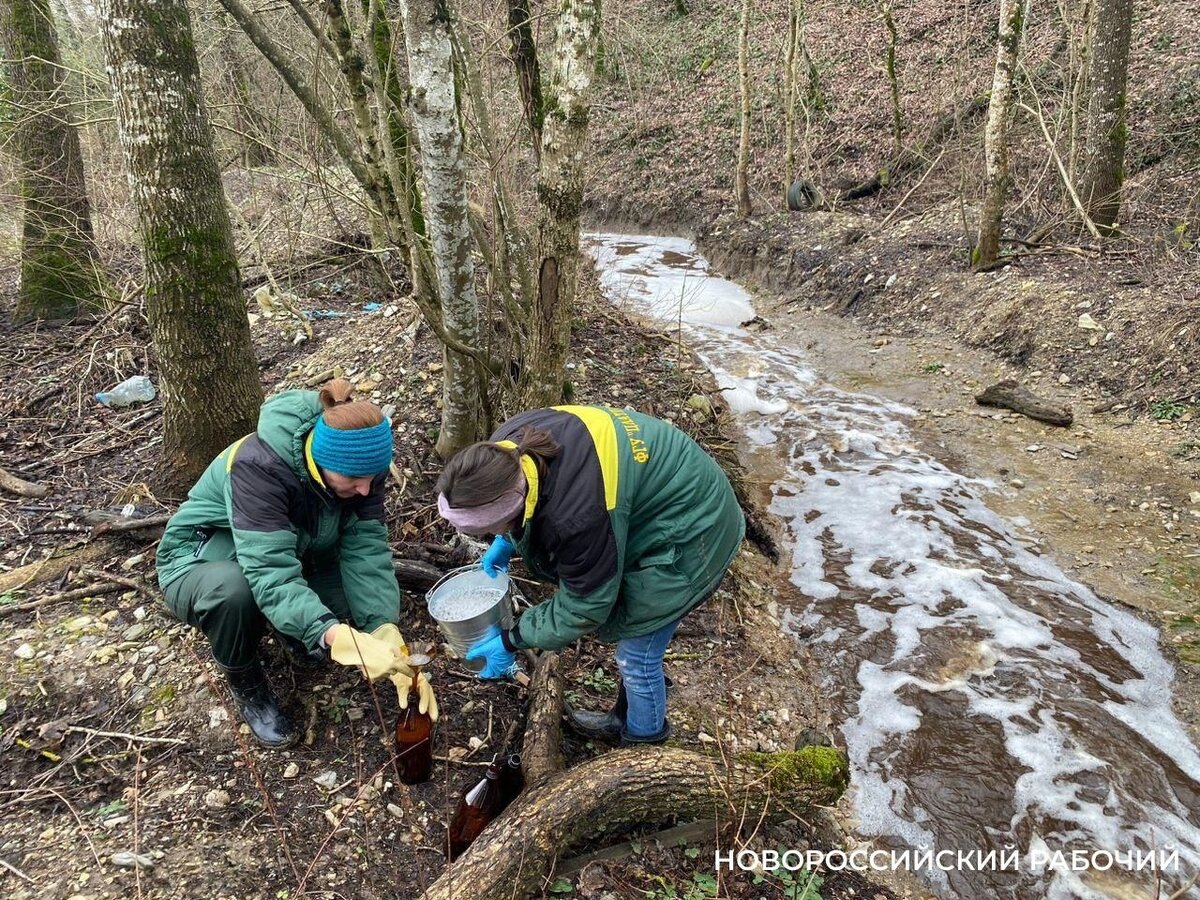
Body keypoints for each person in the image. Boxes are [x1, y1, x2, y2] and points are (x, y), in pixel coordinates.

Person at [435, 405, 745, 745]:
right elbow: (530, 507)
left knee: (637, 658)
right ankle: (623, 717)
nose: (483, 537)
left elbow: (585, 605)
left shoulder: (577, 517)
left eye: (486, 530)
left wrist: (512, 639)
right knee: (634, 646)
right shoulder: (504, 452)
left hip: (696, 531)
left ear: (509, 505)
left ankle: (642, 747)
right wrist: (506, 539)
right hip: (655, 495)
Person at [156, 380, 436, 748]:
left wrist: (385, 630)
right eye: (354, 480)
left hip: (293, 551)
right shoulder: (258, 468)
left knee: (352, 601)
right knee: (236, 593)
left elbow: (365, 550)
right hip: (202, 559)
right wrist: (333, 635)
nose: (367, 490)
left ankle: (294, 629)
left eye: (373, 479)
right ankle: (247, 684)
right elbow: (269, 572)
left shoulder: (364, 466)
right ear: (320, 462)